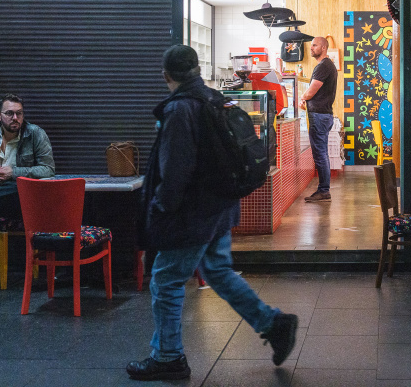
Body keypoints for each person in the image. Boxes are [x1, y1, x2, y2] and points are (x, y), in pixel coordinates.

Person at [127, 45, 297, 381]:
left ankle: (167, 356)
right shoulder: (214, 99)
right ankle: (273, 324)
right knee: (218, 271)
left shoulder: (180, 110)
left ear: (166, 76)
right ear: (197, 70)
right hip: (219, 207)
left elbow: (175, 170)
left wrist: (162, 207)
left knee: (166, 279)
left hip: (192, 214)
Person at [0, 93, 55, 220]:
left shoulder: (35, 133)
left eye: (19, 113)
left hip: (15, 194)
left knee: (22, 189)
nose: (15, 118)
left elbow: (48, 169)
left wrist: (13, 172)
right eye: (9, 113)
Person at [300, 36, 338, 203]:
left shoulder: (323, 66)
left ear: (323, 47)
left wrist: (302, 97)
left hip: (319, 115)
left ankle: (324, 190)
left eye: (314, 45)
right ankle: (324, 189)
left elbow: (311, 91)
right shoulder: (326, 66)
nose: (311, 48)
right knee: (322, 153)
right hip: (323, 114)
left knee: (320, 154)